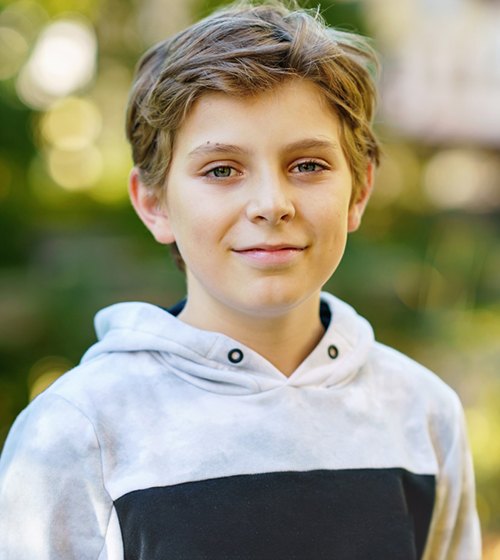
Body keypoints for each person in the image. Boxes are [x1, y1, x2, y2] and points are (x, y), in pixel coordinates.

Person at [0, 1, 481, 558]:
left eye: (307, 165)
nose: (271, 205)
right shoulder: (80, 432)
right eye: (221, 170)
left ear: (360, 190)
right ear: (154, 203)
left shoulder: (421, 414)